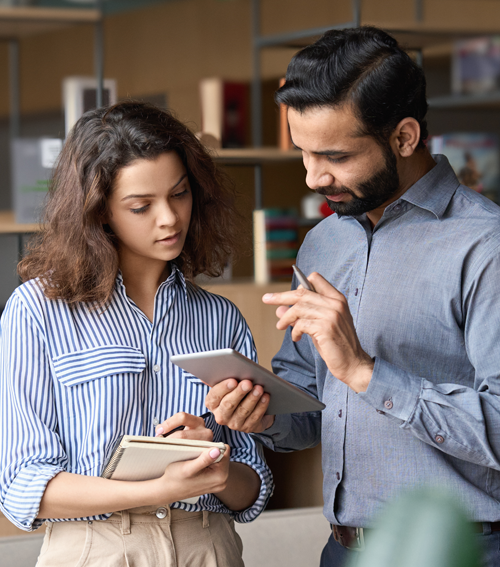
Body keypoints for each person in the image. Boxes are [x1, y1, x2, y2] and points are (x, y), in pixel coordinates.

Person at [205, 26, 500, 567]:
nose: (315, 176)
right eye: (303, 152)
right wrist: (261, 412)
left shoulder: (486, 247)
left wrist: (365, 371)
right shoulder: (324, 241)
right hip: (342, 550)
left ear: (405, 137)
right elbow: (310, 413)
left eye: (336, 156)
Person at [0, 101, 273, 567]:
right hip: (94, 549)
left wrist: (216, 466)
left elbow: (252, 488)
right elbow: (25, 487)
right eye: (141, 206)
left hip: (208, 547)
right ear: (100, 212)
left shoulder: (221, 318)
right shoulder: (36, 312)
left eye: (180, 194)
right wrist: (158, 488)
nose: (169, 218)